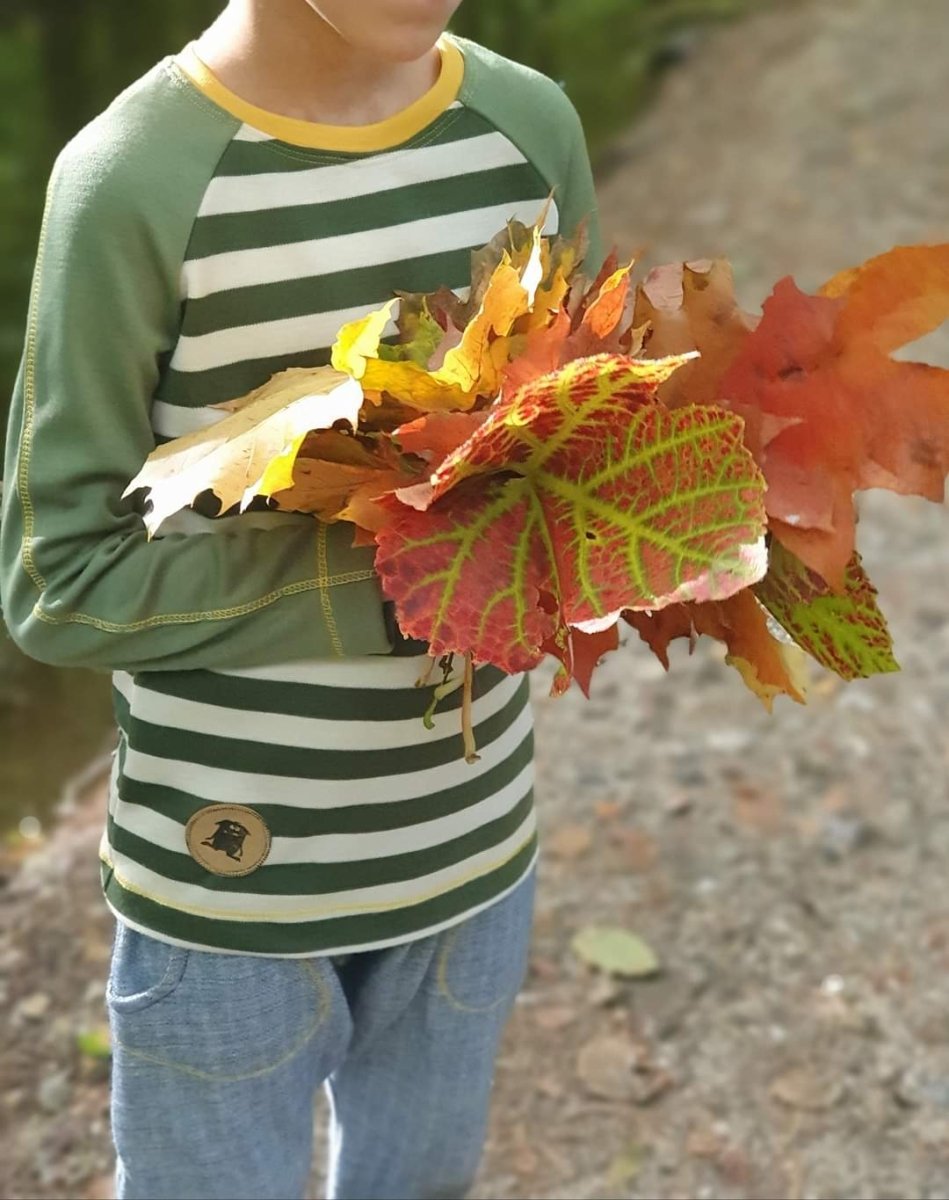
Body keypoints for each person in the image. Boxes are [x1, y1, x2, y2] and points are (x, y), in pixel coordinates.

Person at [0, 1, 601, 1196]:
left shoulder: (526, 128)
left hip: (470, 859)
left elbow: (579, 452)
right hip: (231, 888)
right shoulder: (134, 179)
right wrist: (394, 584)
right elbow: (57, 578)